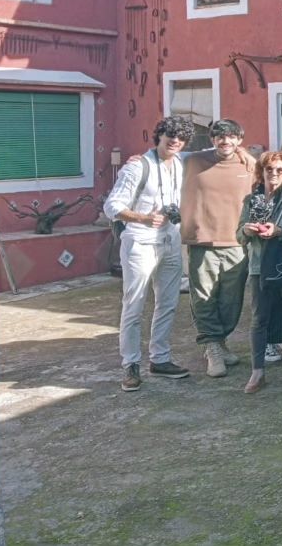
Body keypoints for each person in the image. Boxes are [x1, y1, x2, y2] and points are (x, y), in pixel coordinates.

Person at [105, 115, 194, 391]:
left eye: (180, 137)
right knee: (134, 304)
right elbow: (112, 207)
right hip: (141, 242)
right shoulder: (137, 168)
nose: (175, 141)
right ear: (159, 136)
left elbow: (212, 153)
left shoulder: (181, 162)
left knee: (167, 302)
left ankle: (160, 358)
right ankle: (130, 365)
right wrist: (143, 218)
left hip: (170, 240)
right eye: (170, 136)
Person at [180, 118, 255, 378]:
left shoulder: (250, 165)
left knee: (231, 300)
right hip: (202, 240)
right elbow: (162, 157)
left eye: (231, 137)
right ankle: (211, 345)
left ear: (239, 140)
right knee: (203, 297)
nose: (225, 141)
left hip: (237, 242)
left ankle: (221, 342)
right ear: (212, 139)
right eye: (219, 137)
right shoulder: (192, 161)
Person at [238, 151, 282, 394]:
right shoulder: (251, 200)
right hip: (259, 266)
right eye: (270, 169)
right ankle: (257, 372)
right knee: (259, 319)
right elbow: (238, 234)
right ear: (262, 171)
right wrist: (248, 231)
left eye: (280, 170)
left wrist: (280, 230)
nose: (275, 174)